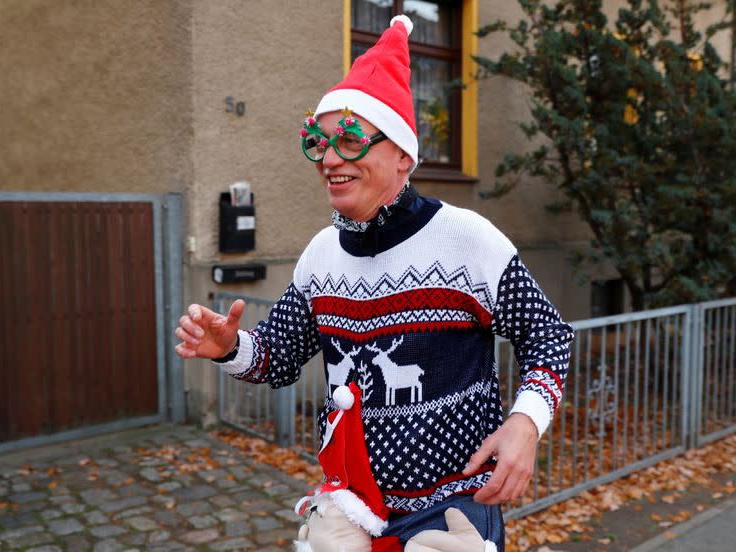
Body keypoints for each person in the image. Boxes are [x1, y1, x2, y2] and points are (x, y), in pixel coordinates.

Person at [174, 15, 573, 552]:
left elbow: (548, 334)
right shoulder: (320, 256)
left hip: (454, 508)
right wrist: (229, 348)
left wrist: (526, 424)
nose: (331, 159)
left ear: (404, 155)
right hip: (352, 504)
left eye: (351, 140)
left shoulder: (468, 240)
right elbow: (280, 355)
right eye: (318, 142)